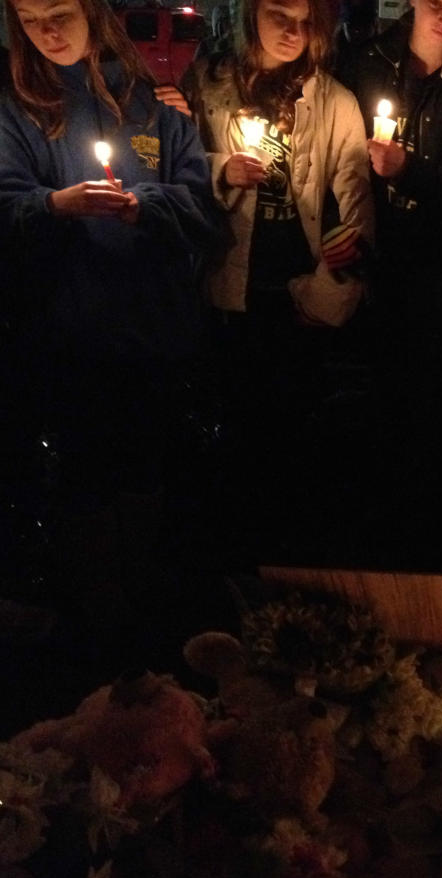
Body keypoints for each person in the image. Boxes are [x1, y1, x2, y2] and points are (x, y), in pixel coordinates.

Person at [0, 0, 221, 628]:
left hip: (153, 332)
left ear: (94, 12)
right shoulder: (18, 111)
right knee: (84, 480)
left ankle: (145, 602)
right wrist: (53, 206)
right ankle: (98, 620)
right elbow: (7, 208)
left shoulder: (155, 104)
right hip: (72, 336)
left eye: (60, 12)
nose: (46, 29)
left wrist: (144, 207)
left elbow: (202, 211)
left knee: (146, 470)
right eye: (29, 16)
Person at [182, 0, 375, 563]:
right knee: (236, 418)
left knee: (293, 423)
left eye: (303, 20)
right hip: (230, 280)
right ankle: (235, 548)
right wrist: (222, 168)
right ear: (251, 16)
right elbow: (178, 161)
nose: (292, 32)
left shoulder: (332, 99)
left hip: (297, 289)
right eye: (278, 16)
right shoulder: (212, 83)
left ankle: (288, 551)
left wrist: (332, 281)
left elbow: (355, 194)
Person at [338, 0, 442, 544]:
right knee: (369, 387)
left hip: (436, 263)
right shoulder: (366, 62)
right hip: (367, 250)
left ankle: (418, 523)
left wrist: (413, 172)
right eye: (436, 3)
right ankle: (368, 511)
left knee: (426, 392)